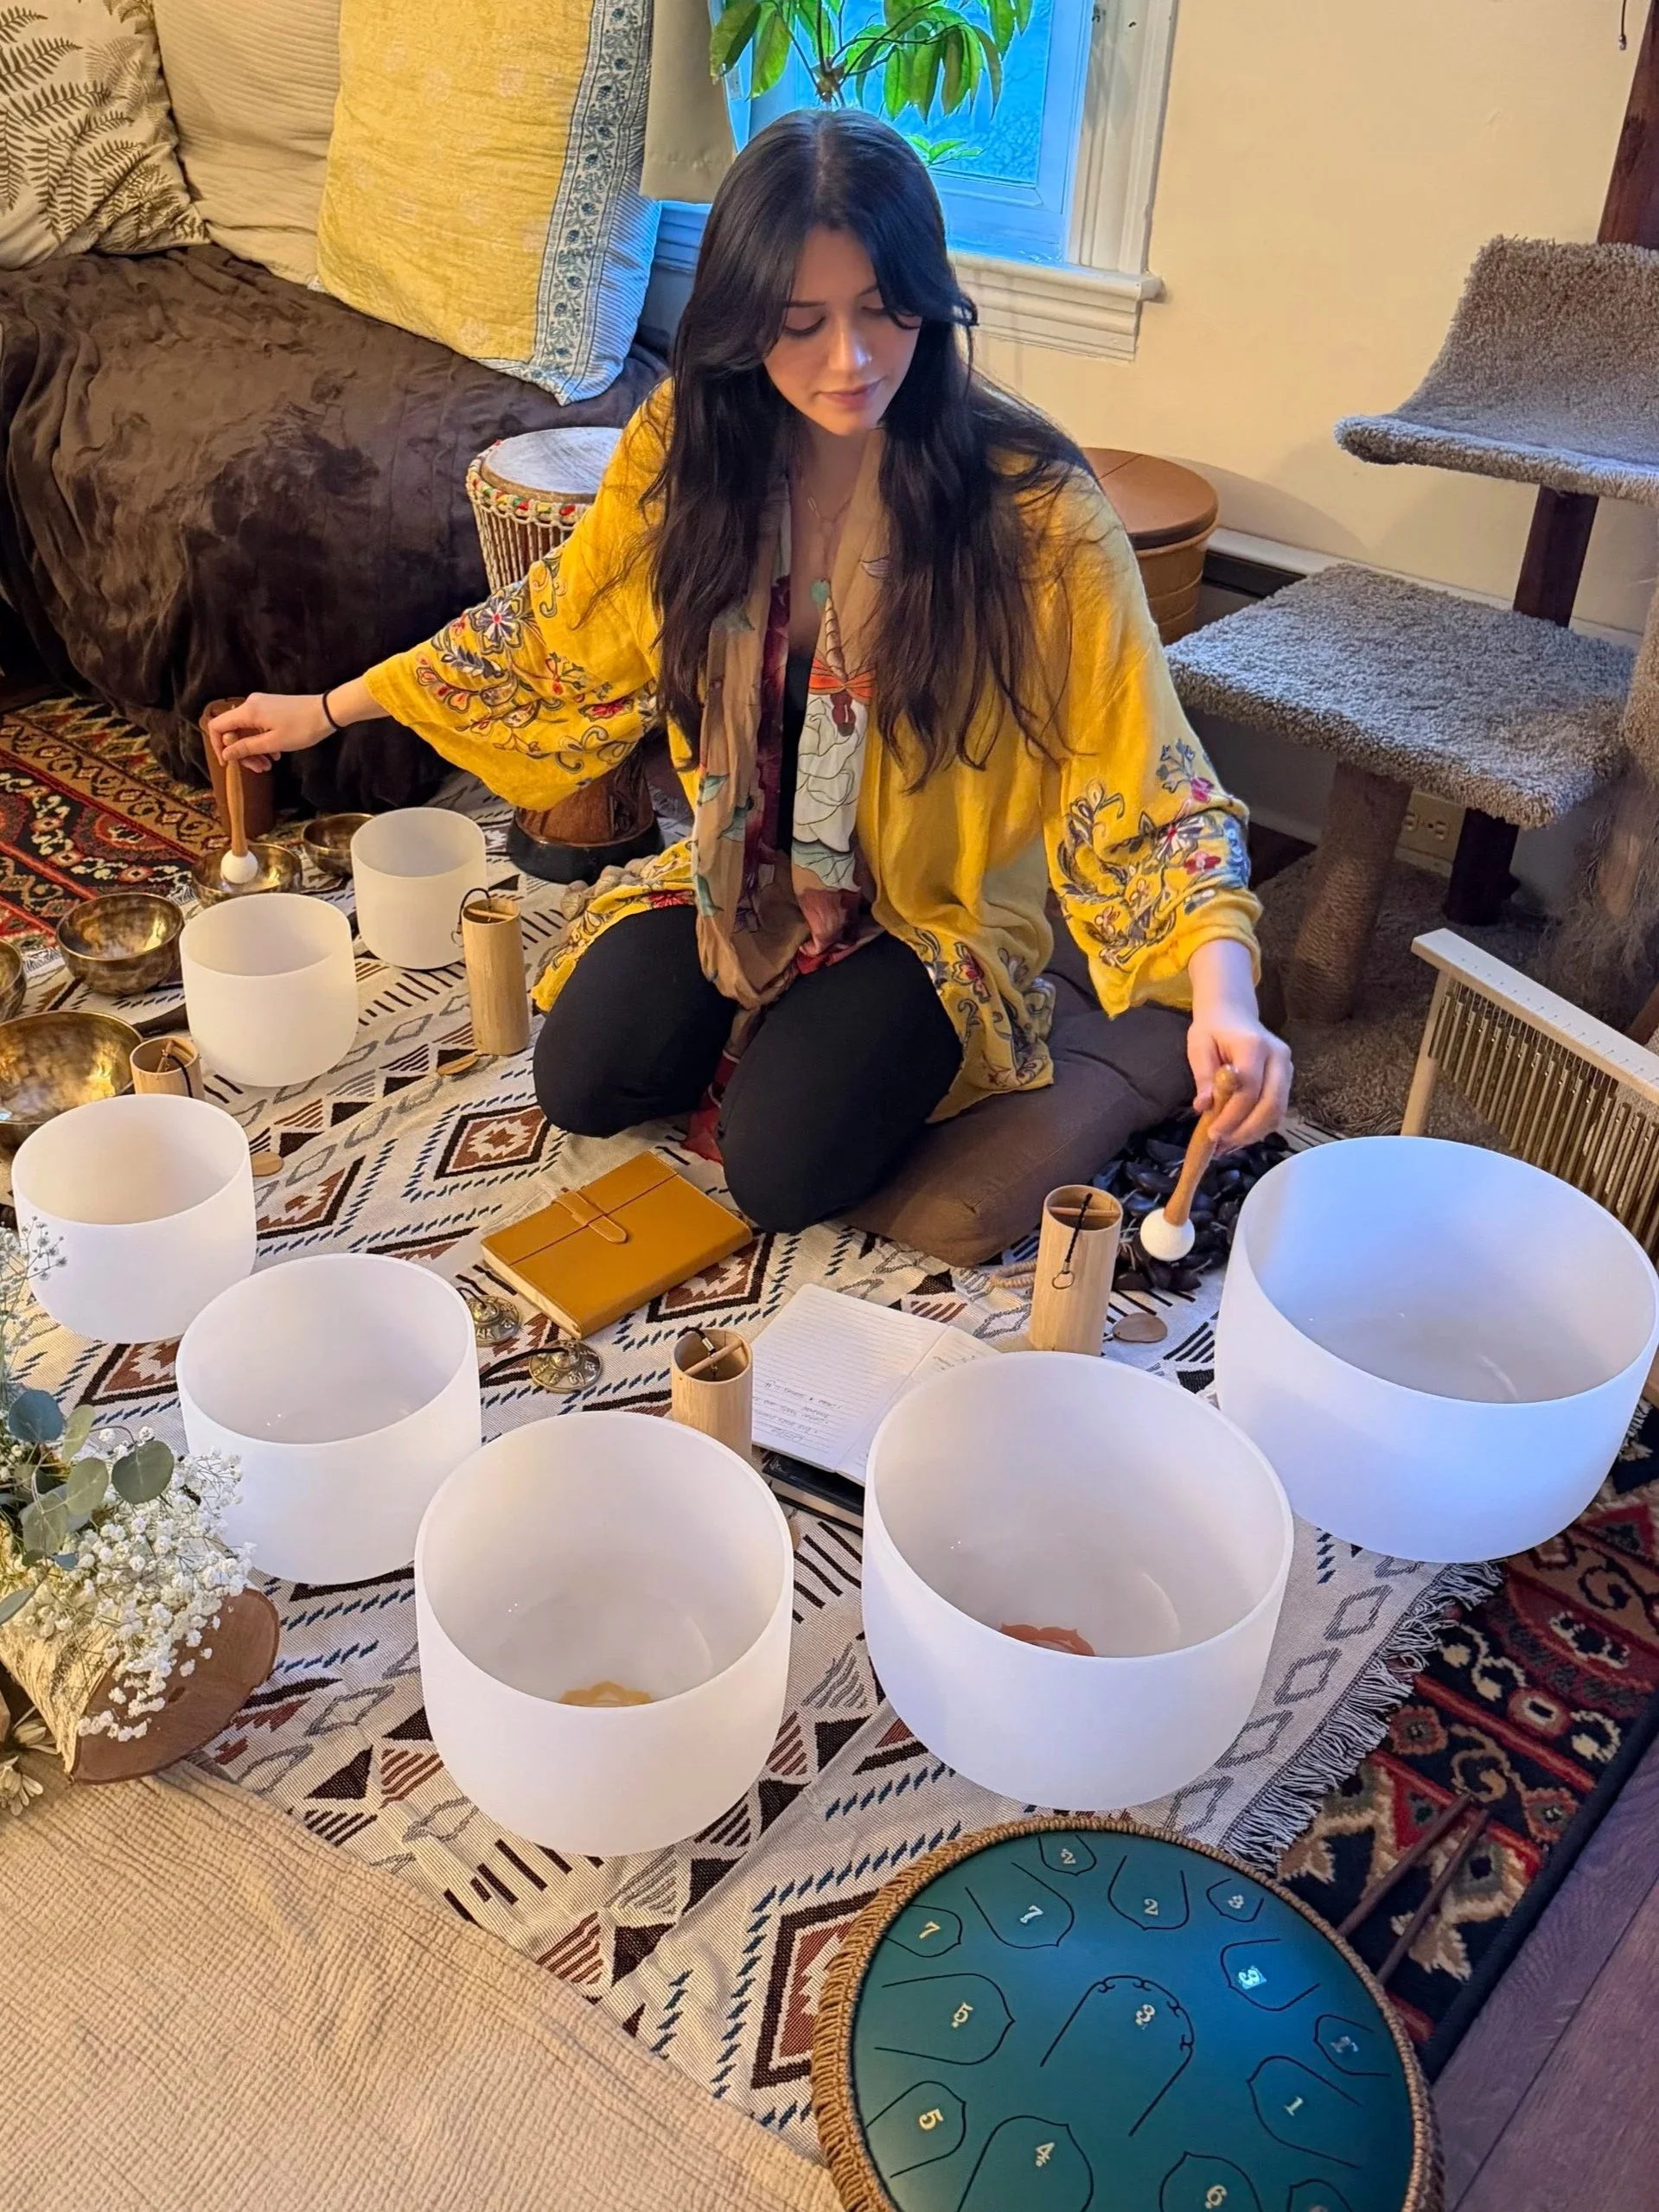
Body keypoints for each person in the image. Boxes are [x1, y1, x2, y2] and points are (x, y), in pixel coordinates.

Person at [211, 109, 1291, 1235]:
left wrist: (1224, 994)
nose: (850, 359)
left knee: (778, 1175)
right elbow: (559, 622)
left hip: (930, 911)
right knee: (583, 1081)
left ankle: (894, 1036)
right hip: (742, 869)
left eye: (884, 308)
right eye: (799, 322)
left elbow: (1144, 761)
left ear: (930, 297)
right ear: (739, 320)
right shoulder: (691, 446)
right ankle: (779, 1007)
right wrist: (326, 709)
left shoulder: (1035, 512)